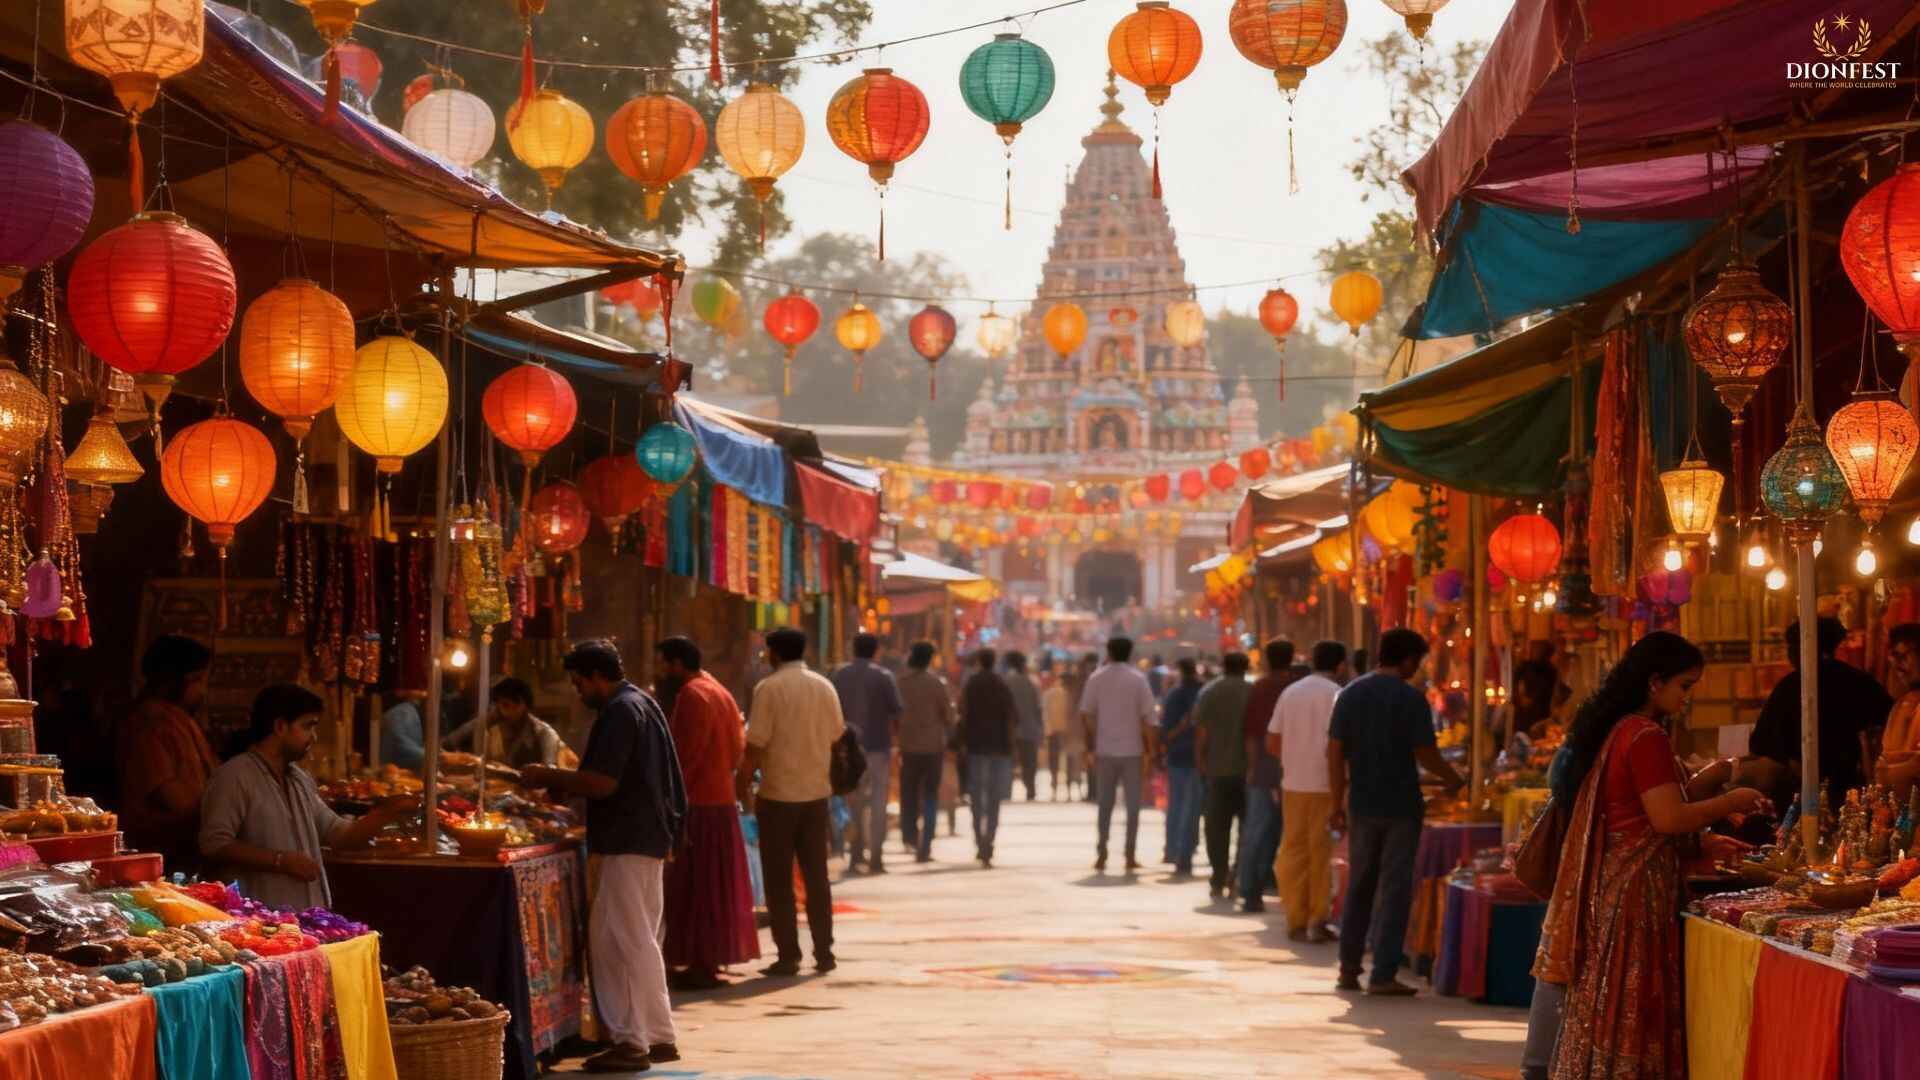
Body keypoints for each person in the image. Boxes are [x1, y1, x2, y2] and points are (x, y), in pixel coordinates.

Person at [1534, 631, 1766, 1078]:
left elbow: (1645, 809)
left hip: (1618, 886)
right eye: (1685, 686)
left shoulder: (1618, 729)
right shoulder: (1645, 736)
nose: (1687, 698)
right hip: (1634, 895)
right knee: (1630, 997)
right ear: (1654, 682)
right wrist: (1732, 801)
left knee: (1612, 999)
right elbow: (1667, 819)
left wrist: (1710, 782)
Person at [519, 641, 687, 1073]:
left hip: (628, 839)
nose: (578, 691)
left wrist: (546, 775)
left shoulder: (621, 711)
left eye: (579, 682)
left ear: (597, 676)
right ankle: (657, 1033)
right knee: (639, 936)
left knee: (621, 940)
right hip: (644, 836)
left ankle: (632, 1042)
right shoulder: (642, 703)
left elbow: (603, 782)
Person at [1327, 629, 1466, 996]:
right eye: (1416, 661)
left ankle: (1349, 966)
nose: (1417, 668)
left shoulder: (1351, 694)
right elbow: (1426, 754)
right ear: (1406, 660)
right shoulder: (1410, 699)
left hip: (1362, 803)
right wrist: (1455, 779)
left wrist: (1335, 804)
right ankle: (1383, 973)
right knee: (1394, 888)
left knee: (1360, 885)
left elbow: (1335, 753)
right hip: (1401, 805)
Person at [200, 684, 416, 912]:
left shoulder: (298, 779)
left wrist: (385, 813)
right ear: (280, 726)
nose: (313, 737)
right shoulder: (233, 776)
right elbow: (214, 844)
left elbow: (339, 835)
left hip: (304, 923)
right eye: (307, 726)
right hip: (256, 926)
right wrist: (280, 860)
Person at [652, 637, 758, 991]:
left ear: (678, 664)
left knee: (695, 886)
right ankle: (706, 959)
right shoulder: (720, 692)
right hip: (720, 800)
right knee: (712, 887)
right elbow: (735, 750)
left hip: (698, 803)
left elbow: (684, 756)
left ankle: (699, 961)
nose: (660, 671)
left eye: (663, 663)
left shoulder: (692, 696)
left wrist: (668, 798)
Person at [739, 627, 845, 976]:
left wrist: (743, 786)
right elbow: (835, 735)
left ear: (775, 653)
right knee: (817, 877)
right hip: (816, 794)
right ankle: (824, 952)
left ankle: (789, 954)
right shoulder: (823, 686)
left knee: (779, 879)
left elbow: (755, 745)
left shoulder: (769, 689)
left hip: (779, 795)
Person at [1750, 616, 1892, 806]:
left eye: (1791, 647)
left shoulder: (1791, 685)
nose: (1789, 653)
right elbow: (1888, 717)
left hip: (1798, 789)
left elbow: (1760, 742)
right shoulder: (1856, 680)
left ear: (1803, 647)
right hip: (1848, 784)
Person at [1269, 640, 1349, 943]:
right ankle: (1317, 918)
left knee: (1293, 851)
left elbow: (1272, 742)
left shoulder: (1291, 693)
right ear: (1340, 666)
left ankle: (1295, 917)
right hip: (1327, 786)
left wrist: (1295, 760)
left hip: (1294, 785)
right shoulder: (1338, 695)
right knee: (1321, 853)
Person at [117, 635, 217, 874]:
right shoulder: (148, 721)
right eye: (198, 680)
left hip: (186, 844)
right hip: (161, 852)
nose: (203, 690)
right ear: (174, 680)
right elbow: (170, 796)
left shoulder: (178, 718)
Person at [1080, 636, 1157, 872]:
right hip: (1132, 751)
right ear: (1130, 653)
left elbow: (1086, 714)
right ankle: (1129, 854)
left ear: (1109, 652)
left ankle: (1102, 852)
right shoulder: (1138, 680)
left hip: (1104, 751)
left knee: (1105, 805)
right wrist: (1150, 751)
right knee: (1133, 806)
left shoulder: (1096, 678)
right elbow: (1148, 720)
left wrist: (1091, 744)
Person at [831, 633, 902, 874]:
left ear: (853, 650)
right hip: (878, 749)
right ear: (876, 651)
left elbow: (834, 710)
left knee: (854, 803)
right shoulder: (884, 676)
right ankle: (877, 858)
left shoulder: (841, 675)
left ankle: (855, 855)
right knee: (879, 802)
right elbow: (896, 711)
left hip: (849, 749)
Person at [1238, 639, 1297, 913]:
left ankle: (1251, 889)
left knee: (1257, 831)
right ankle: (1279, 889)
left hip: (1263, 767)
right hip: (1293, 769)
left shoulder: (1260, 688)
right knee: (1285, 833)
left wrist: (1251, 766)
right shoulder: (1293, 689)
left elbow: (1251, 733)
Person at [1194, 653, 1253, 898]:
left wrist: (1201, 763)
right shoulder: (1252, 691)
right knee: (1246, 828)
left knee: (1216, 828)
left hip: (1216, 771)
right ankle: (1237, 874)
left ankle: (1218, 875)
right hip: (1248, 771)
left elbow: (1201, 734)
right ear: (1245, 667)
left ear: (1223, 666)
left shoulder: (1209, 692)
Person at [442, 677, 579, 770]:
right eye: (499, 705)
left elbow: (550, 770)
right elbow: (450, 742)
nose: (502, 711)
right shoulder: (495, 720)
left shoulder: (544, 733)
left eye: (506, 705)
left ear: (522, 704)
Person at [895, 642, 953, 862]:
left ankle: (909, 835)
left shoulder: (901, 683)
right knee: (930, 795)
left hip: (908, 746)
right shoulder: (936, 683)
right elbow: (948, 715)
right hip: (932, 748)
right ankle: (926, 843)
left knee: (908, 793)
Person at [960, 648, 1017, 867]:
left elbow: (963, 714)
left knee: (976, 796)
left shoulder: (971, 684)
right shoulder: (1001, 684)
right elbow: (1012, 716)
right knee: (994, 798)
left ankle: (979, 841)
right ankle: (989, 841)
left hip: (975, 747)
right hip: (999, 748)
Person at [1158, 659, 1204, 876]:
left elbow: (1165, 731)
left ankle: (1173, 849)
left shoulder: (1175, 695)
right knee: (1191, 808)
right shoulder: (1203, 693)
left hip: (1178, 757)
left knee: (1176, 806)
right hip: (1196, 758)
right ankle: (1184, 850)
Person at [1877, 624, 1920, 797]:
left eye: (1902, 656)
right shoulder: (1901, 704)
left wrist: (1894, 771)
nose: (1898, 667)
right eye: (1893, 660)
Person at [1004, 652, 1044, 802]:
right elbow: (1038, 708)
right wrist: (1041, 730)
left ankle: (1007, 791)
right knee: (1030, 763)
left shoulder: (1007, 681)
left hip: (1011, 730)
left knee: (1009, 761)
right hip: (1029, 729)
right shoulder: (1031, 682)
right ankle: (1030, 789)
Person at [1042, 669, 1079, 801]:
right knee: (1069, 762)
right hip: (1067, 732)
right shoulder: (1073, 696)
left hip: (1054, 732)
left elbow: (1045, 713)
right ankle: (1068, 789)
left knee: (1054, 763)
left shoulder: (1050, 694)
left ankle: (1055, 790)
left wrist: (1047, 730)